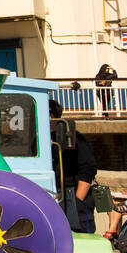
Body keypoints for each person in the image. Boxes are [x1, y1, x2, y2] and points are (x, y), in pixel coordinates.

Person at [50, 100, 97, 233]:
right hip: (50, 192)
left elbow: (88, 169)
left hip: (69, 192)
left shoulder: (74, 138)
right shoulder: (37, 139)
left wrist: (77, 200)